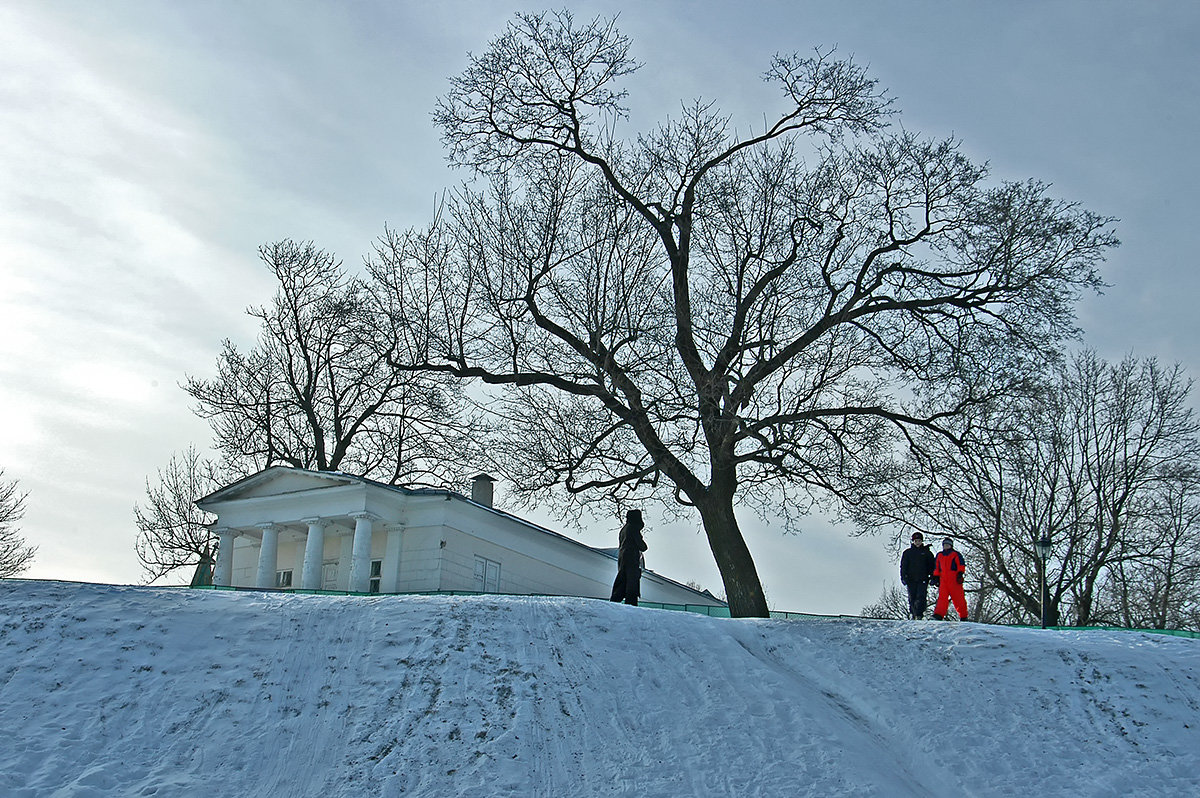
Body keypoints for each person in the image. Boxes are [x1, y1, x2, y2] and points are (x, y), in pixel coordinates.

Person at [609, 509, 647, 606]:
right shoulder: (633, 528)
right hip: (631, 558)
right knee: (631, 582)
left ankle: (615, 600)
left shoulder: (624, 529)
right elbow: (642, 546)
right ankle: (631, 603)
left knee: (622, 580)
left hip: (623, 557)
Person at [899, 533, 935, 619]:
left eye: (919, 541)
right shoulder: (908, 553)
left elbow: (932, 566)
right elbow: (904, 566)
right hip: (911, 579)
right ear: (913, 541)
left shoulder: (927, 553)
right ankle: (913, 613)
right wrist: (903, 577)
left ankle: (919, 614)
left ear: (922, 541)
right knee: (912, 597)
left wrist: (933, 577)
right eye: (916, 541)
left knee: (921, 597)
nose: (917, 542)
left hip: (923, 578)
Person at [931, 537, 969, 621]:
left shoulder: (955, 554)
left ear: (951, 546)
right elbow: (936, 567)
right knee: (942, 598)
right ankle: (938, 614)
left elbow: (961, 564)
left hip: (954, 579)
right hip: (943, 579)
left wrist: (960, 573)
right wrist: (936, 577)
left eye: (948, 545)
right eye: (944, 545)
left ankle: (963, 616)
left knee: (958, 598)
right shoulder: (939, 555)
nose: (946, 546)